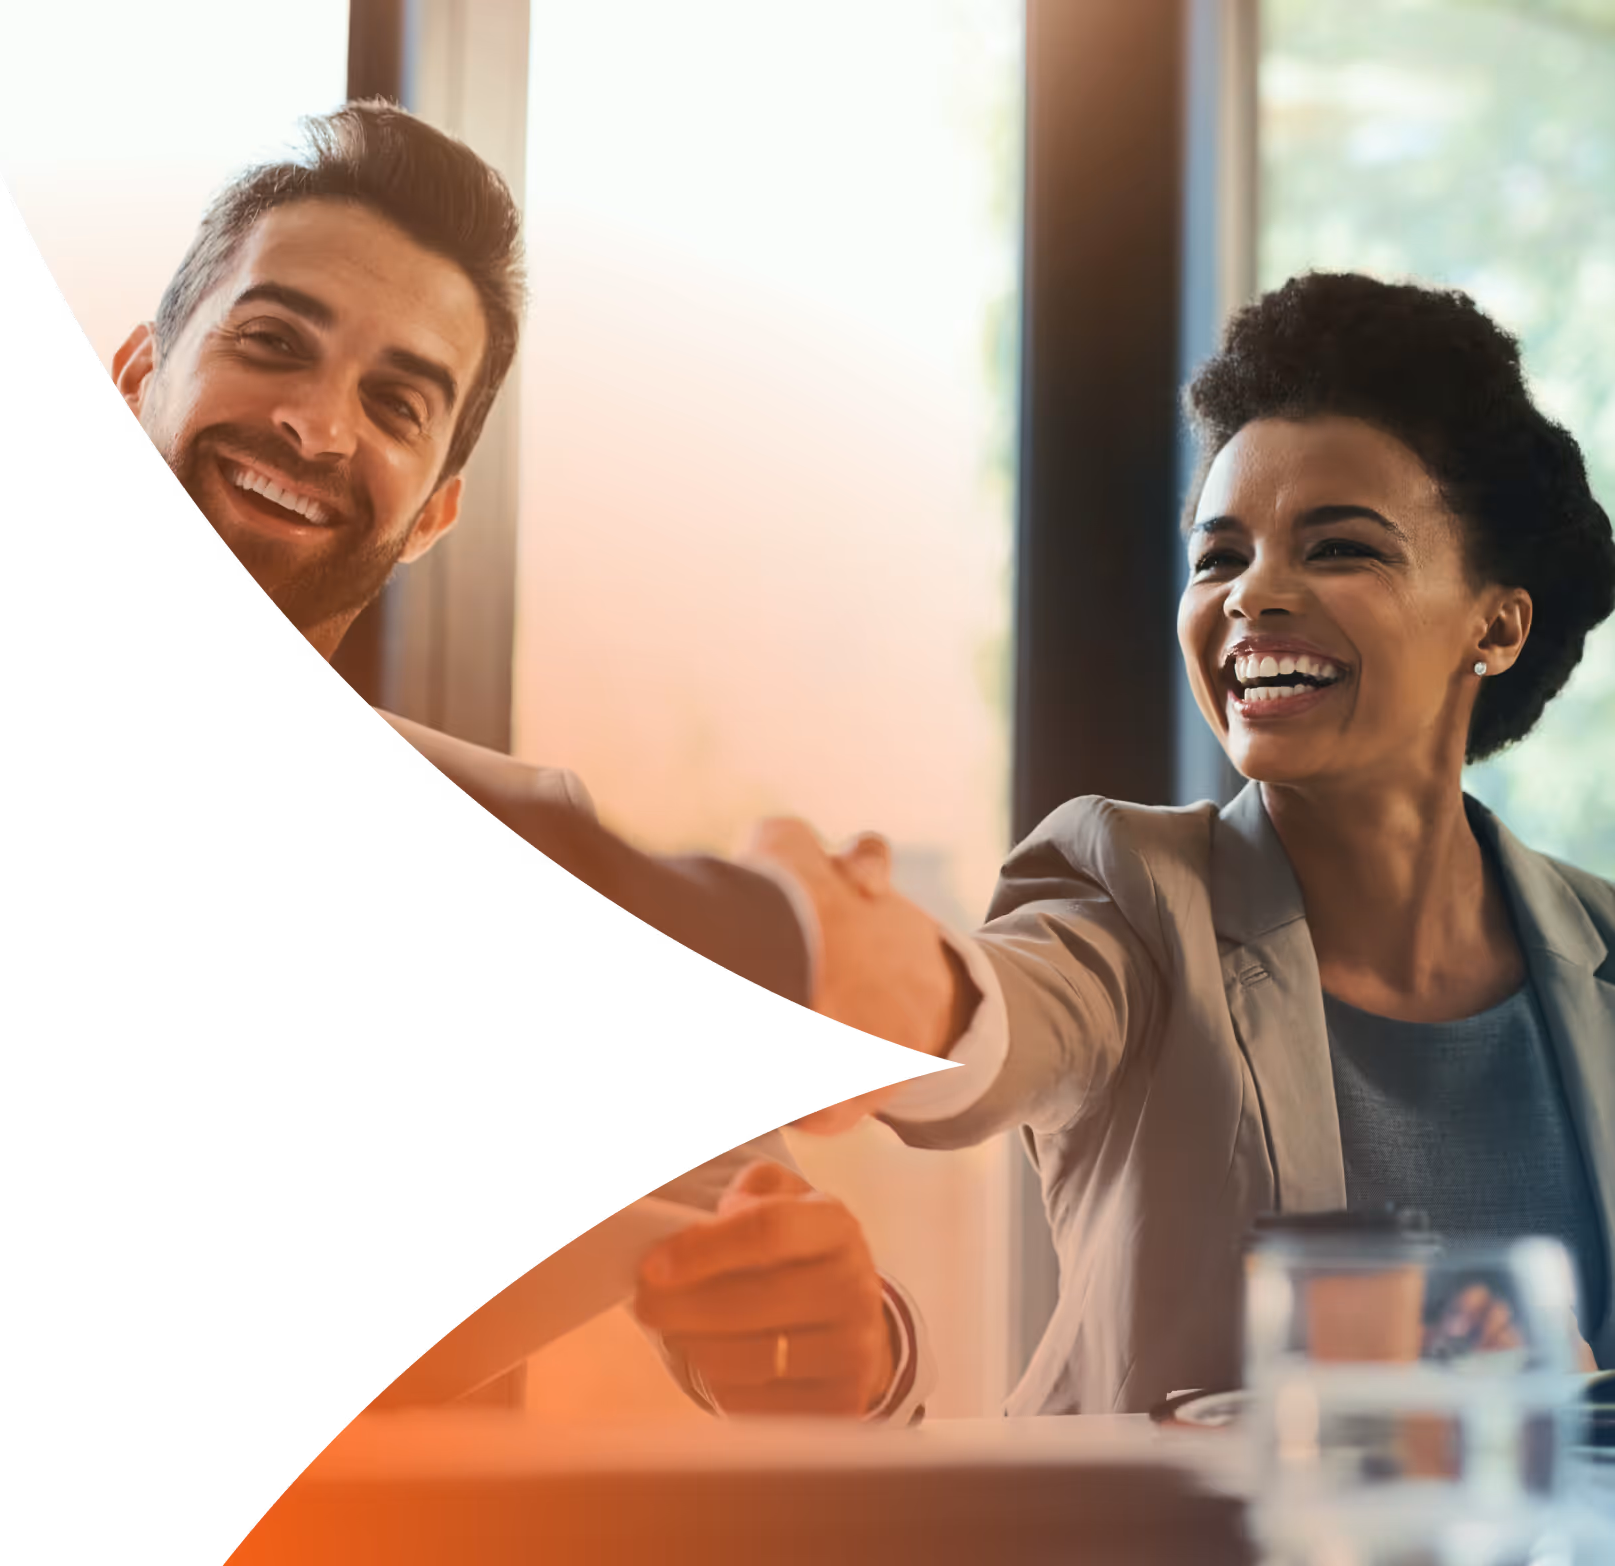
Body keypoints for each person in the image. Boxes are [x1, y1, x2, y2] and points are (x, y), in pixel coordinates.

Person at [111, 97, 942, 1423]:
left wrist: (847, 1353)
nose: (317, 426)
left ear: (434, 509)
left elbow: (789, 1267)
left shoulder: (532, 843)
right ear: (136, 372)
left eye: (396, 402)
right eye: (272, 343)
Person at [751, 273, 1615, 1411]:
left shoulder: (1600, 942)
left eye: (1340, 548)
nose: (1254, 594)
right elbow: (1013, 1010)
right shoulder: (1129, 890)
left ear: (1495, 625)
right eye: (1219, 558)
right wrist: (893, 990)